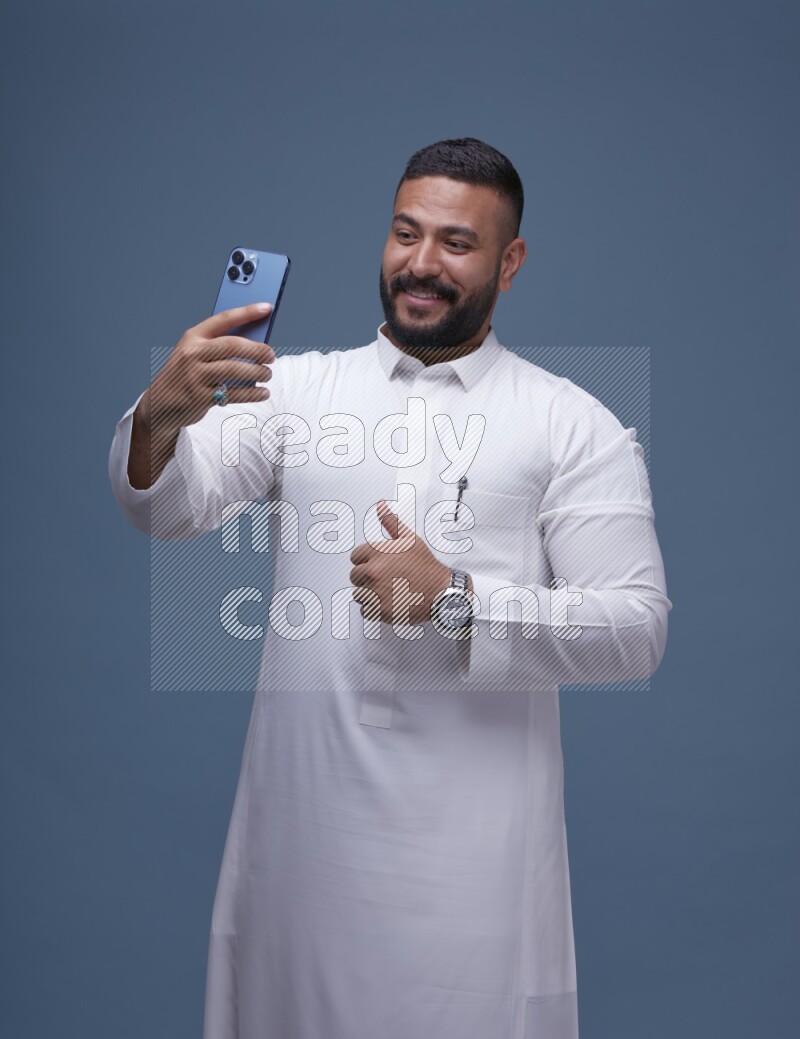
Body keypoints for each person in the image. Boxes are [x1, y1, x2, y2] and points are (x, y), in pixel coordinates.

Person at [109, 138, 671, 1039]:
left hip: (476, 881)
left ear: (509, 262)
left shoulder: (571, 423)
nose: (420, 264)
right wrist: (160, 416)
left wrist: (456, 597)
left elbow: (635, 627)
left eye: (456, 242)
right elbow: (170, 508)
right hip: (300, 858)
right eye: (406, 233)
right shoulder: (291, 393)